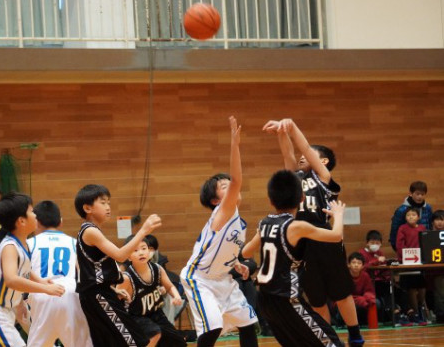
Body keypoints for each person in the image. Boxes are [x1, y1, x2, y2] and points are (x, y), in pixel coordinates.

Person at [263, 118, 363, 346]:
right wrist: (281, 131)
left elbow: (304, 148)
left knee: (341, 292)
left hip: (324, 237)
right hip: (301, 242)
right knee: (316, 298)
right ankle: (326, 338)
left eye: (310, 156)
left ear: (323, 161)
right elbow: (288, 154)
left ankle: (355, 334)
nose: (302, 157)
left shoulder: (322, 177)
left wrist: (292, 126)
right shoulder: (295, 178)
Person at [242, 170, 345, 347]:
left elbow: (245, 253)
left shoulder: (264, 223)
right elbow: (336, 236)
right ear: (302, 198)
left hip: (265, 300)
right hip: (288, 301)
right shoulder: (297, 227)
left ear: (270, 200)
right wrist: (338, 214)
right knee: (333, 344)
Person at [180, 116, 258, 347]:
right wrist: (234, 144)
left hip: (222, 278)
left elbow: (219, 248)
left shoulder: (237, 222)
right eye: (224, 187)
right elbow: (237, 180)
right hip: (200, 278)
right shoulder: (223, 212)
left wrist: (235, 263)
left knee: (247, 322)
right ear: (216, 201)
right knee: (212, 327)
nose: (232, 187)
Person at [0, 192, 65, 347]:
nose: (35, 215)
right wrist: (45, 289)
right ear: (21, 221)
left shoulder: (21, 243)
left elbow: (25, 269)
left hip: (2, 310)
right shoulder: (10, 247)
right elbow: (12, 279)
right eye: (31, 212)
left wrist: (40, 282)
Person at [74, 183, 161, 347]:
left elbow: (85, 268)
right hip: (97, 295)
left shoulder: (90, 231)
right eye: (103, 202)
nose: (108, 207)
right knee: (133, 341)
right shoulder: (90, 231)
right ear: (87, 208)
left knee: (110, 343)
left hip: (98, 293)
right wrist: (143, 231)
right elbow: (121, 255)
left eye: (109, 203)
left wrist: (113, 289)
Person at [26, 200, 92, 347]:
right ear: (60, 222)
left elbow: (22, 272)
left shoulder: (29, 243)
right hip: (70, 294)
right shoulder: (75, 242)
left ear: (36, 222)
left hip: (42, 293)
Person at [117, 237, 186, 347]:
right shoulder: (126, 278)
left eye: (144, 248)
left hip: (157, 314)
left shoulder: (157, 269)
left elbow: (169, 286)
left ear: (149, 252)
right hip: (136, 318)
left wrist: (176, 296)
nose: (141, 253)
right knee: (154, 334)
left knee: (179, 342)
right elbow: (115, 302)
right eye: (135, 250)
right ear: (128, 256)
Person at [396, 207, 428, 325]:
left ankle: (421, 309)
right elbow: (400, 244)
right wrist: (406, 256)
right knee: (411, 287)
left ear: (418, 217)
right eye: (408, 215)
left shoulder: (422, 228)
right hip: (407, 262)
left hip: (420, 262)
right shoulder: (402, 228)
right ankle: (414, 312)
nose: (411, 217)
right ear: (405, 217)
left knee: (421, 286)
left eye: (413, 215)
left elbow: (426, 243)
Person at [357, 230, 397, 321]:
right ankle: (391, 310)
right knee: (385, 288)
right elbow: (363, 268)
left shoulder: (380, 253)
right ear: (367, 243)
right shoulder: (361, 253)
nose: (375, 245)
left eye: (377, 243)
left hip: (380, 280)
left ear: (381, 244)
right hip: (369, 283)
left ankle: (396, 311)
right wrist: (376, 261)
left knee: (395, 289)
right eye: (372, 242)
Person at [389, 181, 433, 251]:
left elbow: (430, 226)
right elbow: (395, 230)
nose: (420, 196)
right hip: (408, 248)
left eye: (422, 194)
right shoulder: (401, 210)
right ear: (411, 193)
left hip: (424, 246)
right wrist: (396, 247)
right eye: (417, 194)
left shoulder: (428, 208)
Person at [347, 252, 376, 326]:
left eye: (359, 263)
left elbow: (369, 291)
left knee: (376, 303)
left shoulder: (365, 276)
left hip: (362, 299)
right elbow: (342, 295)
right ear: (349, 264)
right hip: (346, 301)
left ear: (363, 266)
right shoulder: (344, 275)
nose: (356, 265)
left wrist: (367, 298)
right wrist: (358, 299)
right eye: (353, 262)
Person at [426, 210, 444, 323]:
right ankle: (441, 316)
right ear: (432, 222)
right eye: (437, 220)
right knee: (440, 293)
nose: (440, 223)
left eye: (442, 220)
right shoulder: (428, 235)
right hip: (435, 272)